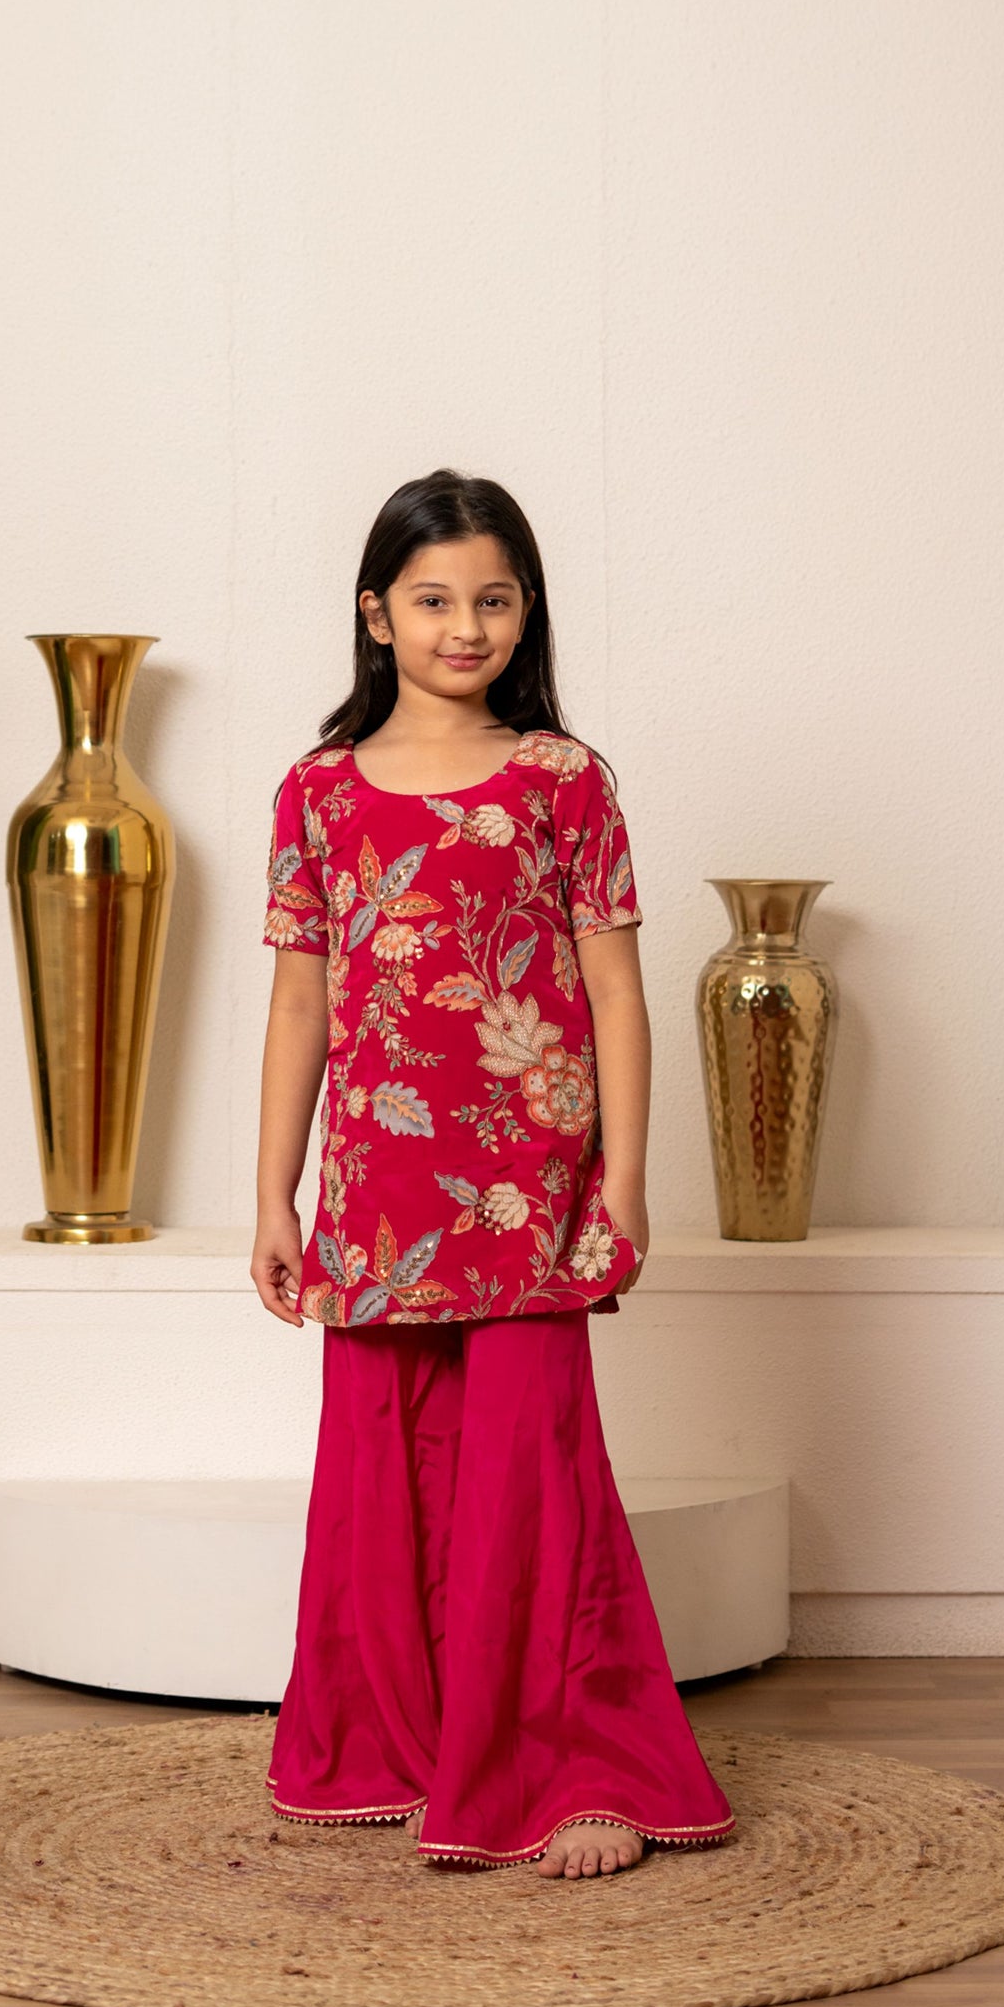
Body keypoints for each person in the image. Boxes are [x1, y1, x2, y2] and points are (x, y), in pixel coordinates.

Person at [250, 468, 736, 1879]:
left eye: (494, 599)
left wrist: (624, 1181)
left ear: (526, 613)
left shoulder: (562, 781)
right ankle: (406, 1749)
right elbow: (300, 1004)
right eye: (433, 600)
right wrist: (273, 1195)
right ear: (376, 614)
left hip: (531, 1185)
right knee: (382, 1475)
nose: (465, 627)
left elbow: (616, 992)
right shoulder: (316, 793)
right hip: (376, 1192)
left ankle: (569, 1770)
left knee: (534, 1480)